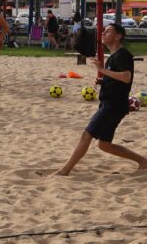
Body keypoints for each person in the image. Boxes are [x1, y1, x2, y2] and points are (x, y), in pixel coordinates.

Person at [56, 24, 147, 175]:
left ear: (118, 36)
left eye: (108, 31)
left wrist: (102, 70)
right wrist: (104, 80)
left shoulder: (122, 54)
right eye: (104, 31)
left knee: (86, 135)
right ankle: (143, 161)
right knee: (104, 145)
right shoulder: (113, 57)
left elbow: (126, 77)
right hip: (110, 104)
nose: (103, 33)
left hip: (113, 105)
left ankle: (64, 171)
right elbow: (117, 79)